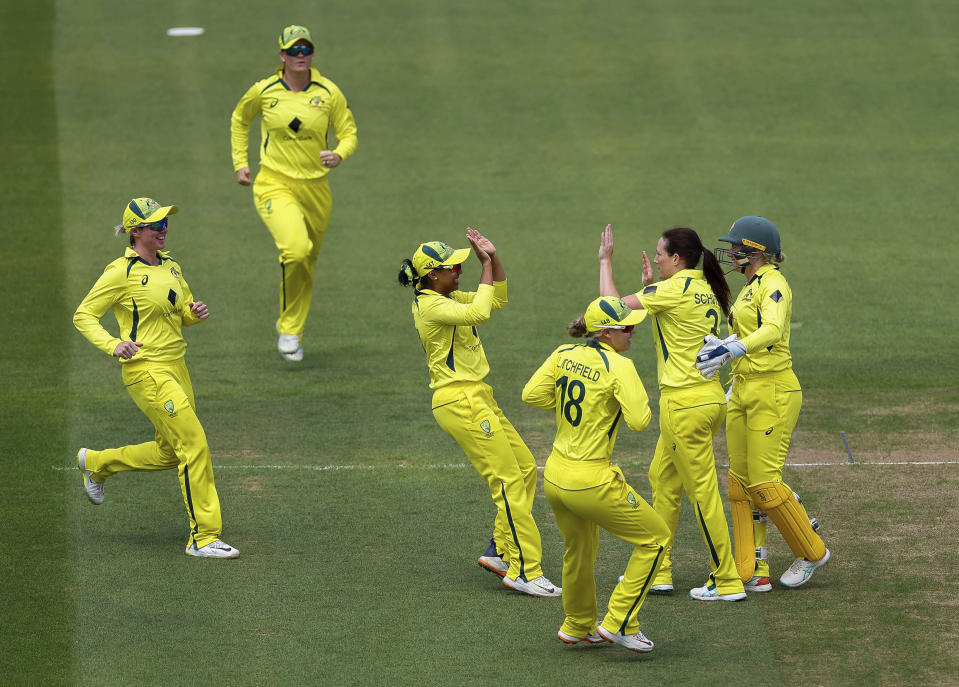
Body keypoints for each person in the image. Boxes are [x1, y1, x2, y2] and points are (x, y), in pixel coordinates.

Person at [397, 228, 560, 598]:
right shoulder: (432, 305)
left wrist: (494, 259)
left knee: (522, 469)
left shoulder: (445, 296)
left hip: (477, 397)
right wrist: (484, 263)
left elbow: (497, 299)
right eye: (452, 267)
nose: (458, 271)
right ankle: (525, 570)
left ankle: (501, 551)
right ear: (431, 275)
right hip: (460, 401)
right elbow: (481, 311)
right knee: (507, 481)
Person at [72, 197, 238, 558]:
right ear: (136, 232)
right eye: (156, 225)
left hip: (178, 368)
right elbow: (84, 315)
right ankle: (204, 538)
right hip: (147, 371)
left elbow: (182, 311)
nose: (164, 229)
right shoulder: (120, 272)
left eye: (165, 223)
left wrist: (195, 313)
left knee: (169, 452)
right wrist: (113, 344)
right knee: (194, 445)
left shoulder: (173, 266)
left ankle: (98, 464)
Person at [598, 224, 746, 601]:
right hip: (707, 400)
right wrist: (650, 286)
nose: (657, 260)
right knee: (662, 478)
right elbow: (665, 310)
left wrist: (605, 261)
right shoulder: (705, 290)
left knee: (703, 494)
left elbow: (610, 311)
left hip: (684, 405)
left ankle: (727, 579)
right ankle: (658, 570)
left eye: (660, 255)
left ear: (676, 258)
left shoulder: (672, 290)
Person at [522, 296, 669, 653]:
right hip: (592, 481)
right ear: (605, 333)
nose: (633, 332)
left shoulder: (562, 354)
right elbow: (640, 421)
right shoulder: (620, 366)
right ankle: (619, 621)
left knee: (579, 550)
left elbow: (532, 394)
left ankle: (577, 624)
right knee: (657, 539)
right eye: (626, 327)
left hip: (555, 477)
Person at [696, 215, 829, 589]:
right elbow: (746, 332)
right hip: (743, 388)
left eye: (737, 247)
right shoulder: (749, 285)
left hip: (773, 391)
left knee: (765, 485)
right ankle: (752, 569)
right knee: (740, 485)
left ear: (755, 252)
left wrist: (735, 346)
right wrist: (726, 351)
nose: (732, 252)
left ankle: (812, 552)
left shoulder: (774, 285)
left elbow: (771, 330)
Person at [231, 24, 358, 362]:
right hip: (274, 183)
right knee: (296, 251)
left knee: (307, 264)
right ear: (282, 55)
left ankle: (294, 331)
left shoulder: (329, 93)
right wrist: (240, 163)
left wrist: (340, 154)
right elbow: (240, 120)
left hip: (316, 188)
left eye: (306, 50)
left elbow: (348, 132)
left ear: (312, 54)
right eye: (294, 50)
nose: (301, 56)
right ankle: (288, 328)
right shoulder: (264, 90)